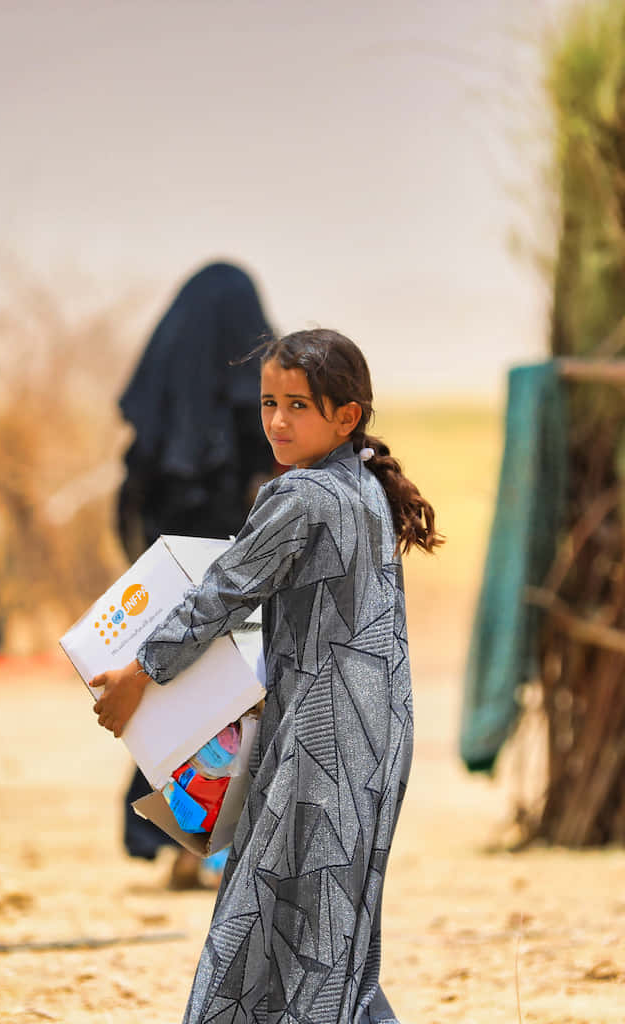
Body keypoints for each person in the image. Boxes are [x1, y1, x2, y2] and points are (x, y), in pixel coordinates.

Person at [92, 327, 441, 1024]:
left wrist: (139, 675)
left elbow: (217, 597)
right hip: (377, 735)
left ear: (348, 415)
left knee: (258, 923)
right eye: (267, 403)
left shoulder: (299, 498)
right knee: (331, 932)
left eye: (299, 406)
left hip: (322, 740)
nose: (278, 422)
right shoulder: (364, 489)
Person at [115, 261, 282, 889]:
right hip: (224, 579)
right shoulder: (248, 402)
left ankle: (183, 844)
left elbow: (133, 508)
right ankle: (198, 849)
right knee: (226, 700)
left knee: (181, 698)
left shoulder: (161, 420)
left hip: (166, 586)